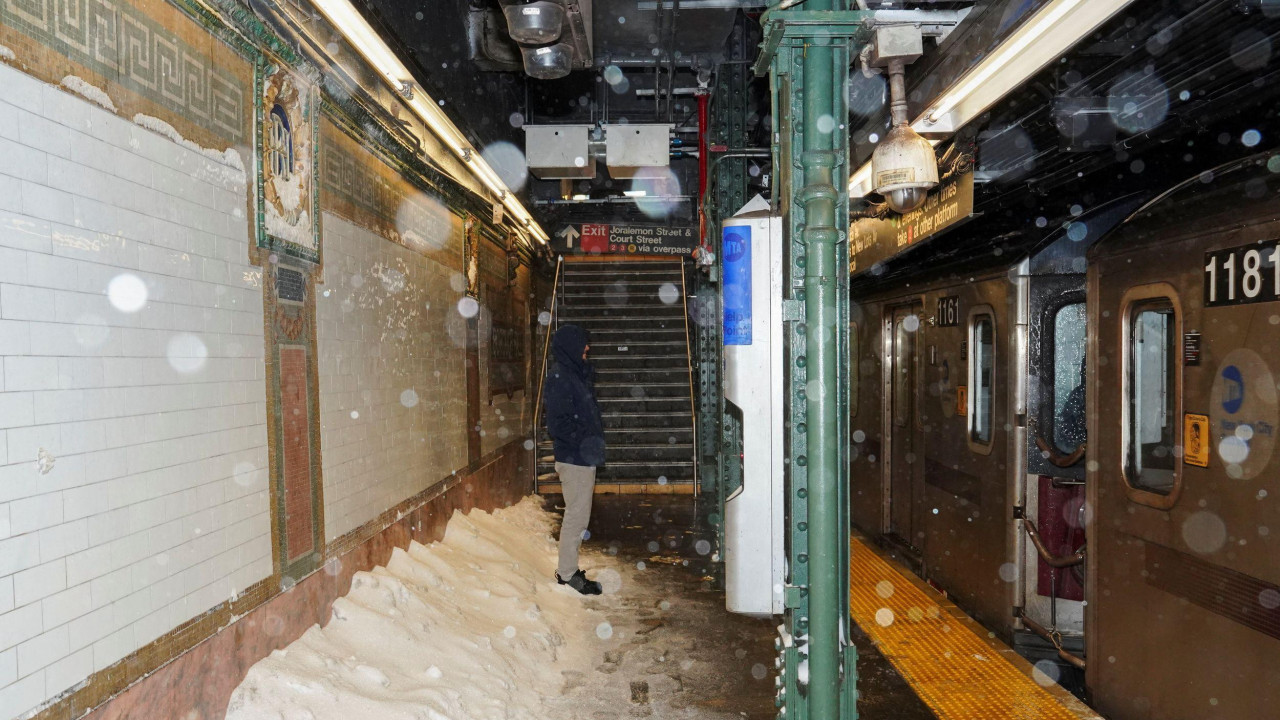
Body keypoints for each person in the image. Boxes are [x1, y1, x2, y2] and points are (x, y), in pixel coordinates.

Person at [543, 324, 605, 595]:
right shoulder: (561, 377)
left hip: (581, 456)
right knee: (576, 517)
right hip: (574, 458)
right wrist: (586, 438)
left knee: (580, 515)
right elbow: (557, 424)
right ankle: (567, 573)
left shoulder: (573, 375)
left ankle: (568, 570)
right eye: (583, 343)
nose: (587, 348)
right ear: (571, 346)